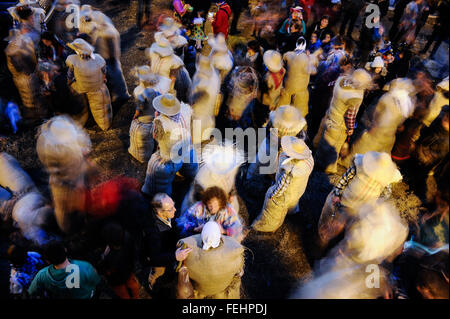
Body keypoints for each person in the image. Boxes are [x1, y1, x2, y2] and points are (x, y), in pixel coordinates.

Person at [317, 151, 403, 250]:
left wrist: (375, 204)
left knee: (352, 228)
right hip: (346, 201)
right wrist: (337, 193)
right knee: (337, 222)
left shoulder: (386, 178)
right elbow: (345, 179)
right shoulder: (360, 165)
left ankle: (341, 244)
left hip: (362, 209)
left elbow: (385, 194)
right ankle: (325, 241)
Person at [313, 68, 372, 174]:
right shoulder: (355, 97)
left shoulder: (341, 80)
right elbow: (350, 116)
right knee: (333, 146)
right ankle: (328, 168)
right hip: (339, 124)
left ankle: (317, 157)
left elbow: (331, 84)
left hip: (331, 113)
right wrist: (351, 128)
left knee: (324, 139)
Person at [252, 136, 314, 232]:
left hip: (286, 195)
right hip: (298, 190)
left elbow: (281, 187)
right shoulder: (309, 158)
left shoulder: (289, 169)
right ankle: (293, 214)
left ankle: (263, 227)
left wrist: (272, 196)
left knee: (276, 207)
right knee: (293, 203)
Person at [141, 94, 197, 198]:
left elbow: (155, 136)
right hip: (186, 148)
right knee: (191, 167)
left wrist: (157, 118)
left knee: (159, 175)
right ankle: (191, 177)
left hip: (170, 158)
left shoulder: (160, 122)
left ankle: (163, 197)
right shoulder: (185, 109)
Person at [177, 221, 244, 298]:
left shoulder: (188, 251)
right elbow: (239, 272)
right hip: (221, 289)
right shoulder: (234, 251)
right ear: (219, 236)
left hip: (199, 290)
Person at [142, 193, 192, 292]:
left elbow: (171, 227)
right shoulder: (153, 234)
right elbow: (154, 258)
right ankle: (153, 286)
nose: (175, 209)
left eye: (174, 205)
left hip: (167, 248)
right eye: (170, 209)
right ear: (160, 212)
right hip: (159, 259)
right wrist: (175, 256)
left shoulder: (166, 215)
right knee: (158, 273)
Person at [66, 38, 113, 131]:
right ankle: (105, 126)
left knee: (78, 104)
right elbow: (104, 71)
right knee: (101, 109)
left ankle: (80, 122)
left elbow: (69, 74)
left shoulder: (72, 60)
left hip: (80, 87)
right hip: (97, 88)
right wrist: (104, 78)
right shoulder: (98, 59)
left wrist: (69, 82)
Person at [28, 241, 102, 299]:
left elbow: (31, 292)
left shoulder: (41, 275)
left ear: (48, 261)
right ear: (65, 250)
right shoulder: (85, 266)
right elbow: (97, 282)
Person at [177, 186, 244, 241]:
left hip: (222, 240)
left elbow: (238, 229)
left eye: (215, 204)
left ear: (220, 203)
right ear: (206, 202)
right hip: (199, 239)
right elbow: (181, 222)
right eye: (209, 204)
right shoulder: (199, 207)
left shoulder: (228, 210)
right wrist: (195, 228)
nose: (212, 207)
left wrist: (224, 231)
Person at [96, 222, 140, 299]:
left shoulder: (112, 256)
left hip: (117, 280)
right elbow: (134, 252)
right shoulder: (127, 237)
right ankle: (136, 297)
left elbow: (108, 269)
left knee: (123, 294)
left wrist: (104, 271)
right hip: (129, 270)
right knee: (133, 284)